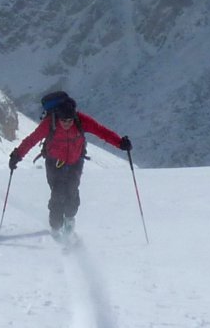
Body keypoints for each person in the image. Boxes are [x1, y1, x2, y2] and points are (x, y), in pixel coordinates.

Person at [7, 90, 132, 237]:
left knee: (72, 191)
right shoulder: (50, 123)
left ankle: (69, 218)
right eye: (64, 121)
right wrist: (17, 155)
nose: (67, 123)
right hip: (54, 162)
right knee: (57, 193)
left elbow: (101, 131)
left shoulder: (81, 120)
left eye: (70, 120)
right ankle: (56, 226)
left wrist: (120, 143)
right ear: (58, 117)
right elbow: (32, 140)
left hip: (75, 161)